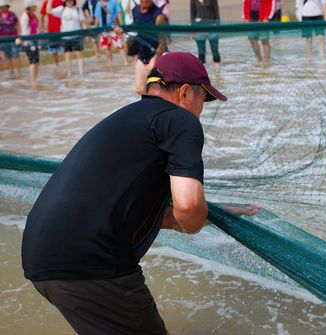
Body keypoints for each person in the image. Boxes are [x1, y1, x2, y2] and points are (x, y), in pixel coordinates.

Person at [22, 52, 227, 335]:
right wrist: (195, 220)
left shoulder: (126, 118)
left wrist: (216, 212)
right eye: (204, 98)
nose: (202, 108)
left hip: (42, 256)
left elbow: (118, 204)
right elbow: (189, 206)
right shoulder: (180, 120)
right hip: (92, 261)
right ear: (184, 93)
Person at [131, 0, 165, 95]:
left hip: (155, 56)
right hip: (142, 55)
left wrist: (154, 59)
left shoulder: (158, 15)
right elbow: (135, 28)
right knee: (139, 89)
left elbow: (163, 42)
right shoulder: (135, 10)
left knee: (156, 92)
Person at [48, 0, 86, 79]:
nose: (70, 1)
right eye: (68, 0)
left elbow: (83, 22)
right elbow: (48, 11)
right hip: (65, 37)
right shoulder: (61, 9)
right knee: (67, 56)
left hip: (77, 36)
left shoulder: (78, 9)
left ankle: (81, 74)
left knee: (79, 55)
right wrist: (50, 1)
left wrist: (85, 35)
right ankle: (69, 75)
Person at [94, 0, 128, 66]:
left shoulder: (114, 2)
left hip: (114, 28)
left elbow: (119, 12)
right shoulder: (98, 4)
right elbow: (97, 17)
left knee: (120, 45)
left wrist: (121, 25)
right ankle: (110, 63)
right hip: (103, 30)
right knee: (106, 47)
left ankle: (125, 61)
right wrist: (95, 28)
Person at [190, 0, 221, 72]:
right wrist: (192, 30)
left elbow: (217, 14)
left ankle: (218, 74)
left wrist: (218, 28)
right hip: (199, 29)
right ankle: (202, 73)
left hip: (212, 29)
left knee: (215, 51)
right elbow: (192, 16)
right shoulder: (193, 1)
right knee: (201, 52)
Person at [17, 0, 40, 84]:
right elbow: (25, 31)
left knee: (37, 61)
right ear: (30, 6)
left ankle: (36, 79)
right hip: (29, 43)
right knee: (32, 61)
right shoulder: (25, 16)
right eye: (35, 5)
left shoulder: (33, 15)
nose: (36, 7)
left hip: (35, 42)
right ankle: (32, 81)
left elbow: (36, 29)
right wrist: (29, 43)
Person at [0, 0, 21, 79]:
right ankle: (11, 72)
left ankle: (19, 72)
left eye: (3, 6)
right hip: (3, 39)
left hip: (13, 37)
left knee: (16, 55)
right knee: (8, 56)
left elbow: (17, 24)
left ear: (7, 6)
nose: (2, 8)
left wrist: (19, 34)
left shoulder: (12, 14)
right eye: (1, 7)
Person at [40, 0, 63, 68]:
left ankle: (62, 64)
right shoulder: (46, 2)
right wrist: (42, 27)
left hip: (61, 29)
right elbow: (42, 15)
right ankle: (57, 64)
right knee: (53, 49)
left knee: (62, 48)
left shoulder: (61, 2)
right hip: (51, 29)